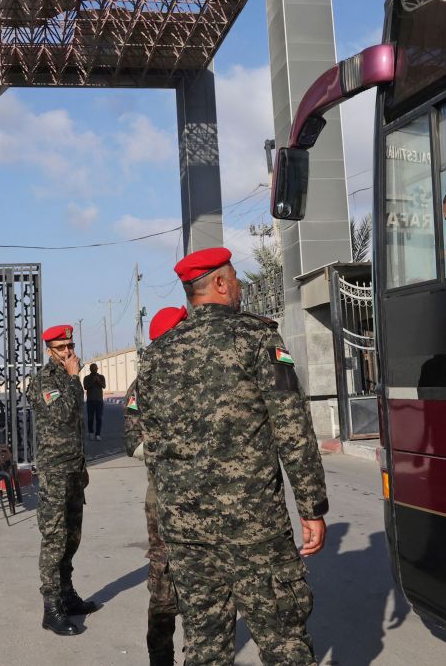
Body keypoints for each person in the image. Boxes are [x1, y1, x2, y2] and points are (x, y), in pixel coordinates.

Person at [138, 247, 328, 665]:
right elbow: (292, 429)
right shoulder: (257, 338)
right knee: (284, 643)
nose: (240, 286)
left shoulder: (154, 355)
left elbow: (152, 445)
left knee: (205, 648)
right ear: (221, 284)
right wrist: (312, 507)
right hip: (254, 527)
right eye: (236, 278)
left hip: (186, 533)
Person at [27, 323, 102, 636]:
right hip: (54, 471)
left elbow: (74, 429)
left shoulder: (68, 379)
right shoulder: (45, 380)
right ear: (49, 351)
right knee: (55, 538)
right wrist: (74, 377)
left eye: (70, 346)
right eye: (61, 348)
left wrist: (82, 465)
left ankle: (67, 593)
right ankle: (51, 607)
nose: (69, 352)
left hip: (72, 468)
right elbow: (63, 415)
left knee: (73, 535)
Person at [124, 305, 188, 666]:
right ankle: (160, 658)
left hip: (209, 499)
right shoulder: (145, 381)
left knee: (204, 583)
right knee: (164, 582)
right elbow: (132, 440)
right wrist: (175, 448)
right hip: (163, 497)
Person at [83, 362, 106, 440]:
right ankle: (91, 432)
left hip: (99, 401)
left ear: (97, 369)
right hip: (90, 401)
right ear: (90, 369)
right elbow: (85, 387)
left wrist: (98, 381)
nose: (94, 370)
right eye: (92, 369)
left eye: (95, 368)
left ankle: (98, 434)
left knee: (99, 418)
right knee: (90, 418)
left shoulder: (101, 377)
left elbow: (104, 386)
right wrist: (93, 381)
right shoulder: (86, 378)